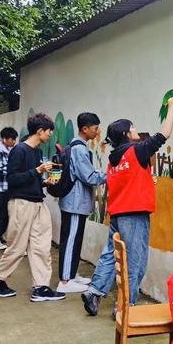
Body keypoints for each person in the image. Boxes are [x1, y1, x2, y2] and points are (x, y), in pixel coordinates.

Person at [81, 97, 173, 316]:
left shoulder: (113, 159)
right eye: (132, 127)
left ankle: (95, 291)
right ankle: (125, 306)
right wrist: (172, 107)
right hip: (134, 216)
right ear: (126, 134)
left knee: (109, 255)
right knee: (134, 262)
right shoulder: (136, 152)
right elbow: (164, 135)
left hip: (117, 214)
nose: (135, 130)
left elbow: (128, 181)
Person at [0, 113, 65, 302]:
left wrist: (46, 182)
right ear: (39, 131)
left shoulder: (37, 152)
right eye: (49, 131)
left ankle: (41, 287)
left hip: (38, 203)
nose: (50, 135)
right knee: (18, 246)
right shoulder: (19, 150)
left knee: (42, 246)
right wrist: (36, 171)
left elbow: (31, 179)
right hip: (21, 203)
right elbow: (11, 180)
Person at [57, 112, 106, 293]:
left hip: (75, 202)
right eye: (95, 128)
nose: (97, 131)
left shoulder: (77, 145)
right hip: (75, 203)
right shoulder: (79, 149)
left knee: (74, 239)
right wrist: (110, 175)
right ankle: (65, 281)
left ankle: (71, 274)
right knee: (71, 240)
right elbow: (89, 176)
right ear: (85, 129)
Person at [0, 127, 18, 250]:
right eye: (12, 139)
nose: (14, 142)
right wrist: (13, 169)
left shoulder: (8, 149)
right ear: (5, 139)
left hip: (6, 188)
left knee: (5, 214)